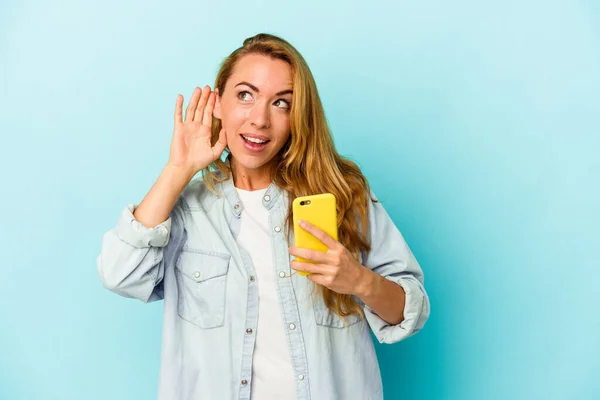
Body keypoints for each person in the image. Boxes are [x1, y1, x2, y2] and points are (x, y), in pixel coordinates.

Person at [97, 33, 430, 400]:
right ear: (218, 101)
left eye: (281, 103)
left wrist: (358, 280)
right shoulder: (185, 210)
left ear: (297, 116)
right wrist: (178, 169)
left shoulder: (341, 194)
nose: (259, 119)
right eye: (245, 95)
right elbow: (119, 274)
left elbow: (410, 311)